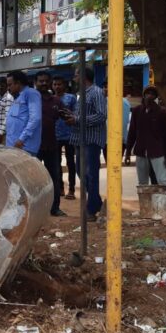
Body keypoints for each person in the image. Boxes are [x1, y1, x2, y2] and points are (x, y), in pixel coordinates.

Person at [67, 67, 107, 221]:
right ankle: (95, 202)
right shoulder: (81, 95)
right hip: (80, 139)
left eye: (76, 75)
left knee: (91, 174)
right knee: (81, 172)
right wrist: (71, 116)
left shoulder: (96, 92)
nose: (74, 78)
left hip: (91, 140)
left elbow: (101, 115)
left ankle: (91, 210)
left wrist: (77, 119)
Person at [125, 86, 166, 186]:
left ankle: (163, 201)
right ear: (143, 95)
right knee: (142, 182)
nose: (149, 96)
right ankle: (145, 201)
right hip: (141, 151)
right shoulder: (137, 111)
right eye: (147, 94)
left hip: (157, 151)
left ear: (155, 97)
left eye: (152, 94)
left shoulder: (161, 112)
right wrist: (128, 152)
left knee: (163, 180)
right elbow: (132, 133)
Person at [35, 71, 65, 216]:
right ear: (36, 82)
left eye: (46, 81)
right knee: (32, 179)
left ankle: (55, 208)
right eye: (41, 81)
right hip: (34, 147)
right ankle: (35, 209)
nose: (44, 83)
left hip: (52, 145)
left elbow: (65, 115)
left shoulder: (56, 101)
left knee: (54, 177)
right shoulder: (31, 99)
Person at [5, 70, 42, 155]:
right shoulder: (18, 97)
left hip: (24, 146)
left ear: (18, 83)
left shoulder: (31, 93)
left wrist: (21, 139)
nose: (8, 88)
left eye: (10, 85)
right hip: (14, 146)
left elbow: (35, 118)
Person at [53, 76, 77, 199]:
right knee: (56, 164)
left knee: (70, 163)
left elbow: (76, 113)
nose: (57, 86)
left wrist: (70, 117)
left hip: (70, 135)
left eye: (59, 84)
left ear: (64, 85)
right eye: (55, 84)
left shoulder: (71, 98)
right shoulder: (50, 99)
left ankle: (71, 189)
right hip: (55, 136)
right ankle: (60, 188)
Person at [102, 79, 131, 162]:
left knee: (111, 165)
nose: (105, 89)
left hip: (108, 140)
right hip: (121, 140)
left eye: (107, 87)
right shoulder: (126, 102)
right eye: (104, 87)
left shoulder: (104, 101)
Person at [0, 76, 14, 145]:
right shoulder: (1, 98)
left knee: (1, 154)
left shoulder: (8, 98)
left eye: (2, 86)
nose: (0, 88)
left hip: (2, 135)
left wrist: (1, 134)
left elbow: (8, 117)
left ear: (7, 86)